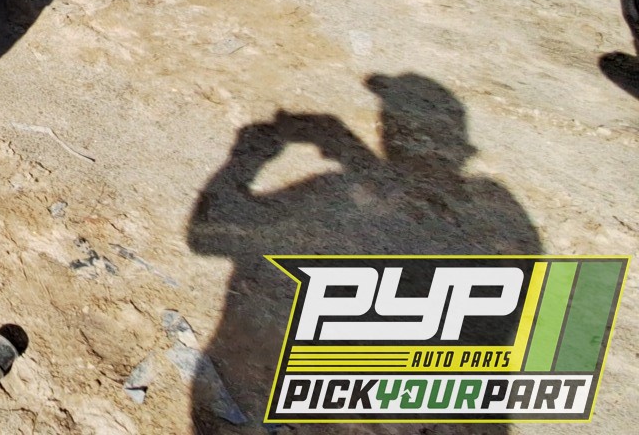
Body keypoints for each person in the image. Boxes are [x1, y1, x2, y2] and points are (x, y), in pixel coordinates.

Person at [186, 74, 540, 433]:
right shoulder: (497, 208)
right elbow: (411, 204)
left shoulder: (335, 197)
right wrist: (351, 152)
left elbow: (204, 237)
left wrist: (243, 157)